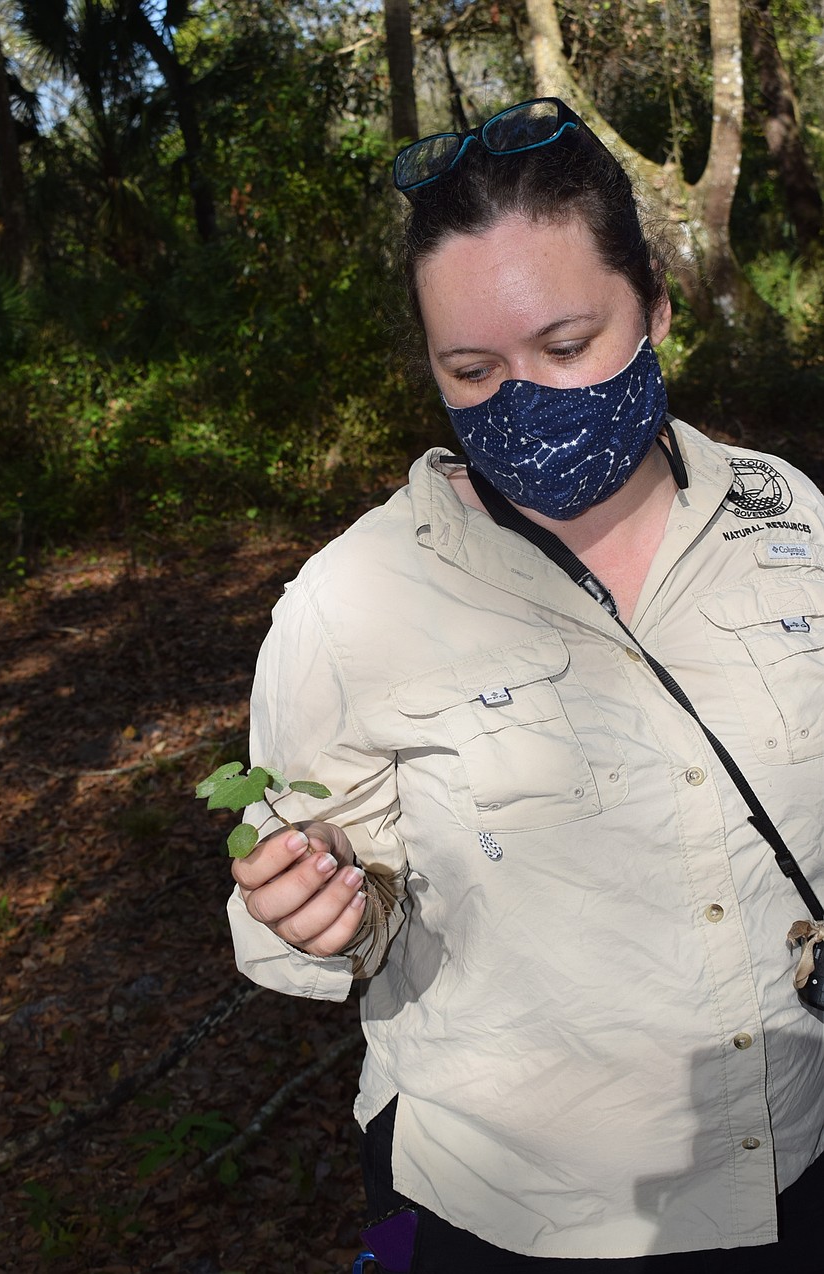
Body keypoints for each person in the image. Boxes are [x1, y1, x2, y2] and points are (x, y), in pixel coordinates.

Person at [226, 97, 824, 1270]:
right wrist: (313, 909)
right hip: (514, 1215)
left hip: (799, 1165)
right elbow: (309, 918)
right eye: (472, 366)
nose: (526, 399)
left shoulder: (790, 518)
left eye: (565, 346)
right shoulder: (351, 603)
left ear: (653, 307)